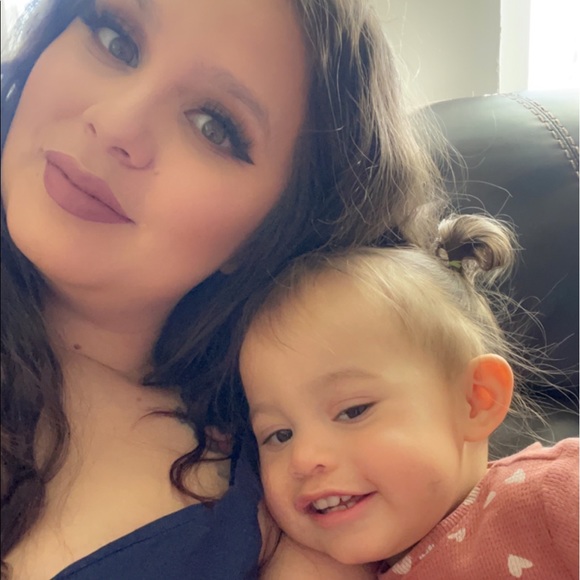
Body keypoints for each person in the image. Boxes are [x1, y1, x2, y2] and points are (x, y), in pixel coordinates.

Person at [0, 0, 450, 578]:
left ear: (273, 230)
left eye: (213, 126)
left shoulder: (299, 505)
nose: (115, 123)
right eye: (116, 40)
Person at [239, 214, 579, 579]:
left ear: (475, 400)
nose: (303, 459)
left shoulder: (553, 493)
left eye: (353, 411)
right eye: (279, 435)